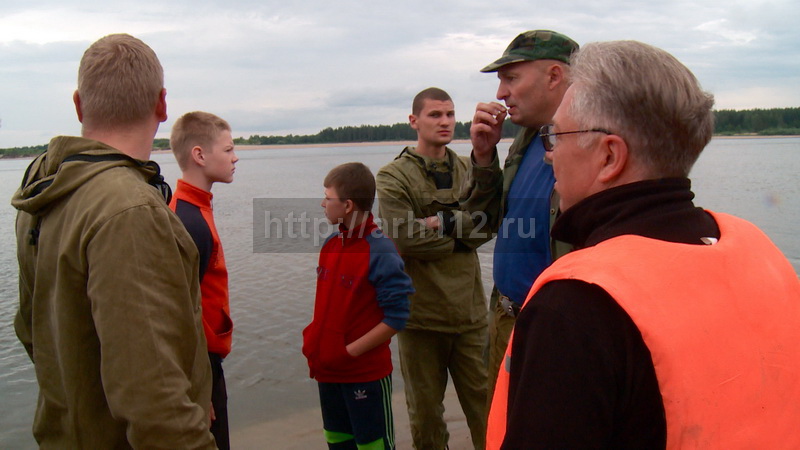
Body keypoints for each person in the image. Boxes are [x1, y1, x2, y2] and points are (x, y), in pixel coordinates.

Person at [487, 40, 800, 449]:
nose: (549, 155)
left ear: (609, 157)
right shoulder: (760, 251)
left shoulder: (576, 307)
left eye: (555, 137)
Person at [11, 34, 215, 448]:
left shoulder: (44, 191)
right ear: (162, 104)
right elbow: (153, 400)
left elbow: (31, 330)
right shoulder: (130, 211)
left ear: (79, 104)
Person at [462, 29, 579, 402]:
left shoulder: (592, 145)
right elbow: (481, 225)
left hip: (554, 331)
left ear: (554, 76)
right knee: (497, 430)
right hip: (505, 316)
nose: (500, 94)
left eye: (511, 78)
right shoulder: (527, 139)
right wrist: (483, 156)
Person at [376, 87, 493, 449]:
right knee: (426, 421)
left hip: (471, 316)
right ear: (414, 121)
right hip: (421, 319)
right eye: (435, 115)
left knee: (488, 414)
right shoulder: (393, 176)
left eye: (450, 115)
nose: (445, 122)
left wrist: (439, 222)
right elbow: (405, 238)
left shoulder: (468, 169)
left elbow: (488, 225)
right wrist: (461, 225)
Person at [302, 162, 414, 450]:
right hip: (328, 372)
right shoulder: (330, 245)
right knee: (338, 444)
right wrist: (316, 342)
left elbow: (397, 317)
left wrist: (347, 352)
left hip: (363, 376)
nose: (323, 203)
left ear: (348, 205)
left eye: (328, 197)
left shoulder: (381, 250)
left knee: (373, 446)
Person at [168, 111, 238, 449]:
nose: (235, 157)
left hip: (206, 367)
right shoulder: (187, 221)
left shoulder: (194, 209)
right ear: (199, 155)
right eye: (228, 150)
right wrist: (197, 388)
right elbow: (177, 314)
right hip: (199, 369)